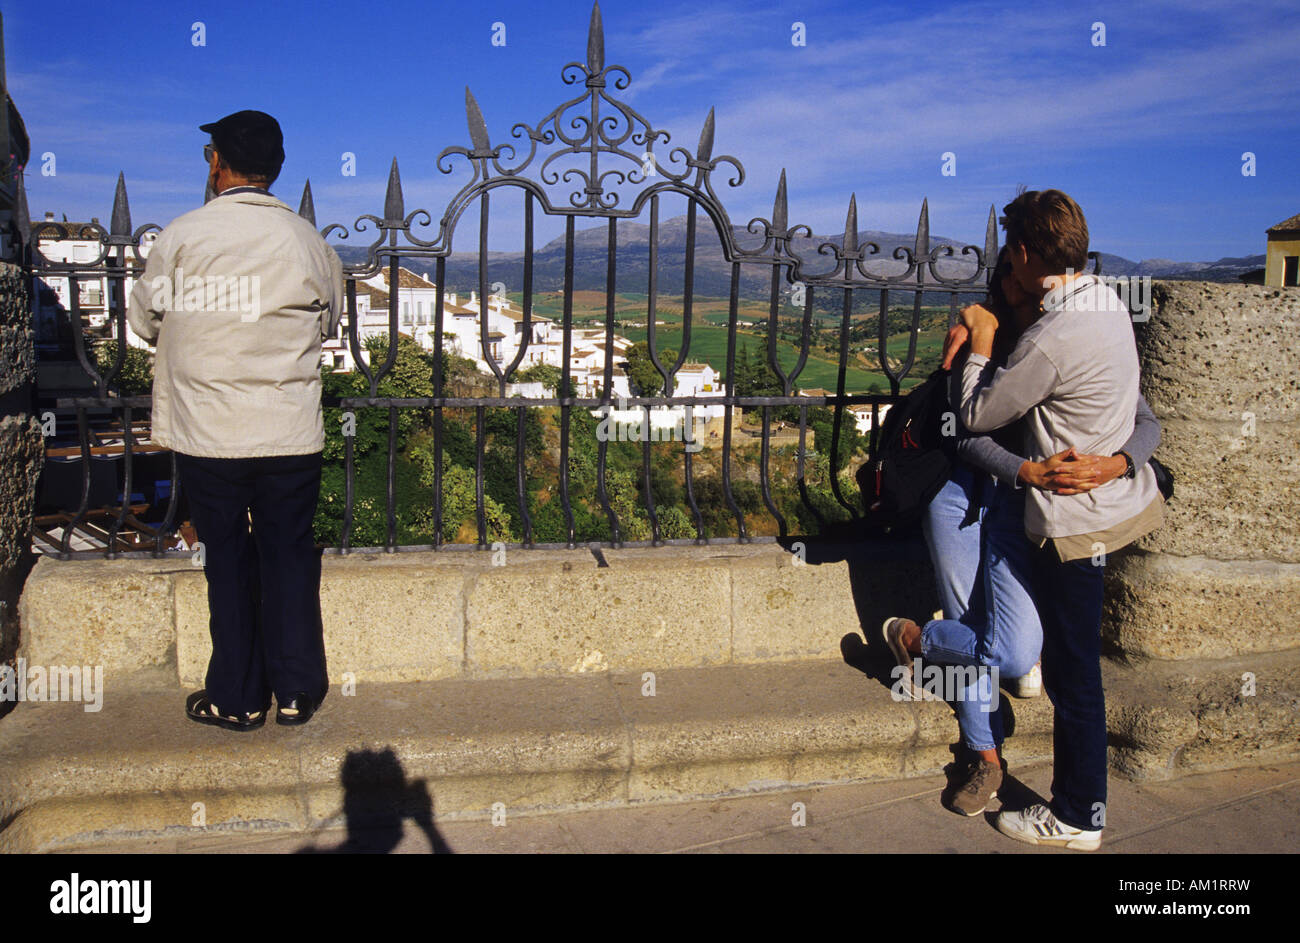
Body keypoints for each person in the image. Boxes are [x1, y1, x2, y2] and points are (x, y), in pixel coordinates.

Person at [883, 246, 1161, 819]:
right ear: (1006, 281)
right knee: (971, 625)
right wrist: (1024, 468)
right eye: (1013, 275)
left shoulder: (1074, 331)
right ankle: (983, 755)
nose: (1029, 285)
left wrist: (1118, 463)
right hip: (960, 494)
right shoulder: (981, 333)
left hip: (1024, 511)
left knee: (1011, 654)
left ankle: (914, 640)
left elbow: (1145, 419)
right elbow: (956, 430)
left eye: (1029, 275)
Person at [955, 189, 1163, 849]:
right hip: (1110, 508)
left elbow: (976, 418)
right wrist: (1120, 461)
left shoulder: (1051, 334)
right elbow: (1138, 409)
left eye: (1009, 255)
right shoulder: (1106, 304)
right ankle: (1080, 805)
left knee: (1076, 677)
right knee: (1069, 664)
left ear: (1022, 251)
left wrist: (982, 347)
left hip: (1073, 524)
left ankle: (1076, 814)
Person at [128, 110, 344, 731]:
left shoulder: (184, 237)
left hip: (210, 430)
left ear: (218, 164)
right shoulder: (310, 242)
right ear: (274, 170)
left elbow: (146, 323)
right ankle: (298, 689)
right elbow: (327, 324)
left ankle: (238, 696)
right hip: (287, 430)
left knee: (225, 561)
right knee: (289, 557)